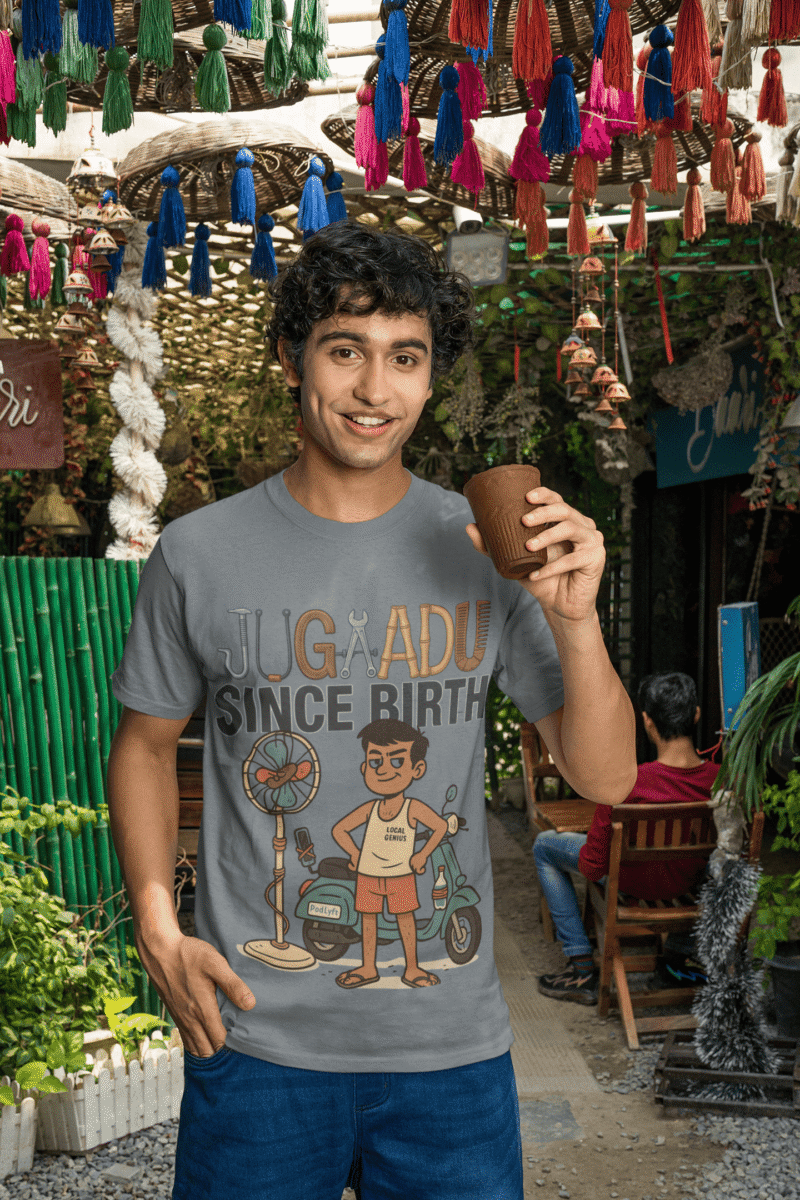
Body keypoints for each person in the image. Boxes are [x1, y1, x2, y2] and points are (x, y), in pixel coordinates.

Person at [106, 221, 636, 1200]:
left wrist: (575, 621)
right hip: (255, 1041)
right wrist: (154, 923)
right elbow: (143, 745)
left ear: (429, 377)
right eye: (344, 351)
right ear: (290, 358)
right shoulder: (198, 553)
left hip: (449, 1052)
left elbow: (604, 778)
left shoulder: (484, 545)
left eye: (405, 358)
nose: (373, 390)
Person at [534, 672, 719, 1006]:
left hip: (632, 889)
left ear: (646, 722)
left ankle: (581, 968)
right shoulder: (722, 781)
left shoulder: (626, 783)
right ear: (696, 715)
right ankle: (675, 961)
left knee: (545, 845)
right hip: (686, 890)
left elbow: (592, 867)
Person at [331, 719, 449, 990]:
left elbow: (440, 826)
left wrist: (422, 855)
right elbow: (340, 830)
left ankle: (412, 968)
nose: (384, 769)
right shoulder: (370, 808)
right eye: (375, 762)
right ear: (364, 768)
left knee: (405, 919)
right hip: (368, 874)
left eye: (396, 762)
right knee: (368, 920)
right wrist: (355, 853)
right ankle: (368, 967)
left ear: (416, 769)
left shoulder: (412, 807)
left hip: (401, 875)